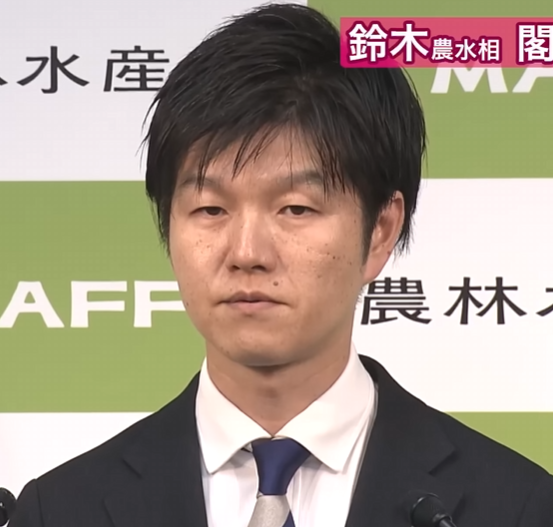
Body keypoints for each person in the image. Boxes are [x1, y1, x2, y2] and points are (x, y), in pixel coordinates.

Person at [9, 3, 553, 527]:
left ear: (381, 230)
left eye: (295, 209)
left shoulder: (517, 507)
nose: (247, 252)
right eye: (210, 209)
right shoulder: (61, 509)